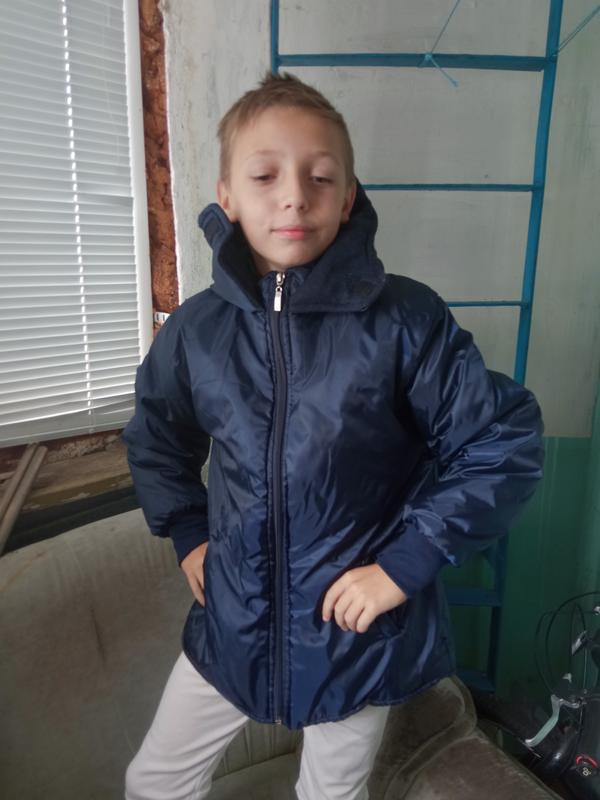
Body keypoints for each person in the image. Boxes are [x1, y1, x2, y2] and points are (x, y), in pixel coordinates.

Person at [122, 70, 545, 800]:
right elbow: (157, 435)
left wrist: (402, 567)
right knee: (154, 781)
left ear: (348, 198)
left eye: (320, 177)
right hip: (232, 622)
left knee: (331, 795)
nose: (294, 196)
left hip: (356, 633)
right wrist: (188, 530)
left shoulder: (405, 320)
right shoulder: (196, 331)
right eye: (265, 175)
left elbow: (501, 443)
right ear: (227, 196)